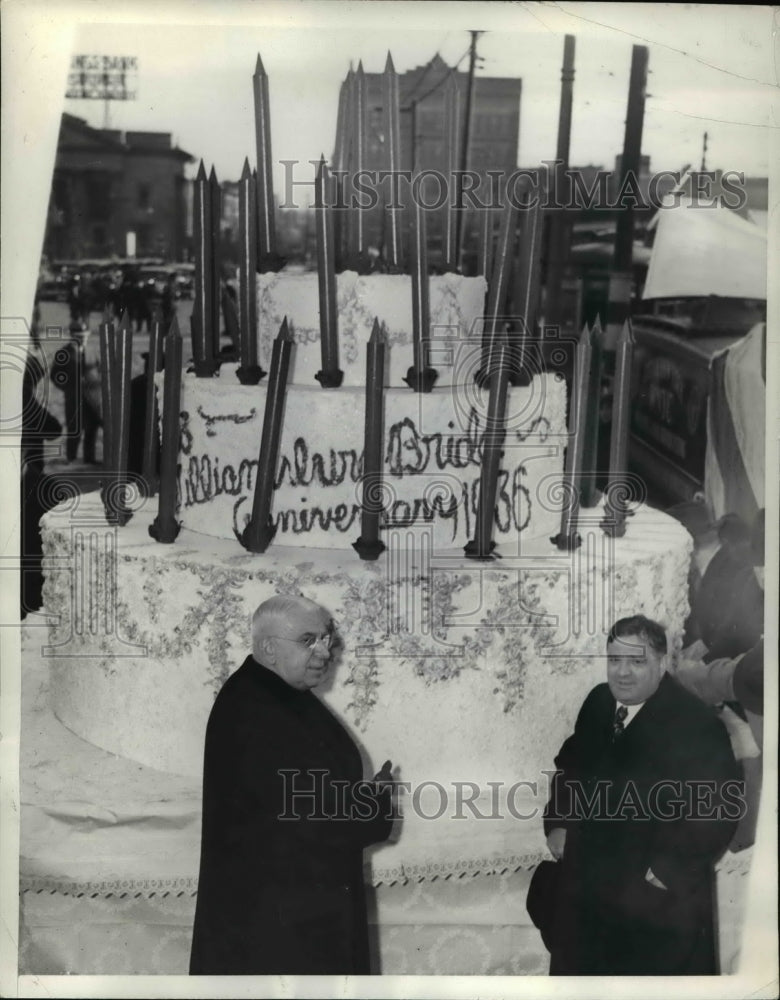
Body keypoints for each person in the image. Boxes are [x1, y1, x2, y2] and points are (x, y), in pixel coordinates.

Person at [190, 595, 395, 975]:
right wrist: (375, 803)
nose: (324, 651)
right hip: (279, 932)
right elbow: (312, 818)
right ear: (268, 648)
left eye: (325, 639)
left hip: (290, 916)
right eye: (307, 641)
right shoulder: (256, 710)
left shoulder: (271, 693)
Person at [530, 615, 741, 975]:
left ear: (661, 664)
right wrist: (559, 822)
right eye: (615, 661)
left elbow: (719, 810)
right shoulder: (598, 702)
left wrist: (663, 872)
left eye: (636, 662)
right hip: (587, 897)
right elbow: (570, 768)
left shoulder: (697, 725)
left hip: (656, 909)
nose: (622, 673)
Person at [50, 320, 102, 463]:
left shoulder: (92, 351)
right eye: (78, 335)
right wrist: (68, 387)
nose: (82, 338)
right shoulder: (64, 353)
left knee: (92, 427)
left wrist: (97, 383)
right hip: (74, 398)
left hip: (92, 398)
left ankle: (89, 458)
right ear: (72, 335)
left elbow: (100, 370)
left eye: (84, 335)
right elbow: (55, 375)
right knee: (75, 430)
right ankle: (71, 457)